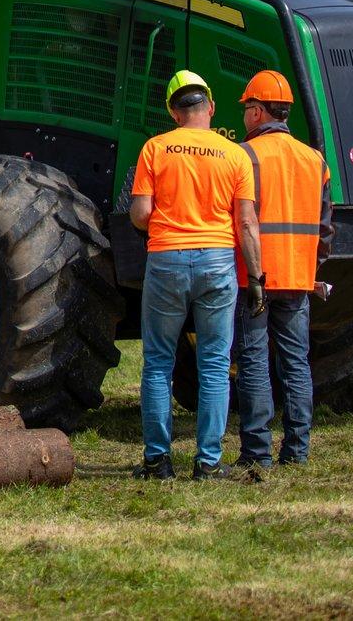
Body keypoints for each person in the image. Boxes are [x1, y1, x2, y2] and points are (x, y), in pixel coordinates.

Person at [129, 69, 263, 480]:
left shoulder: (155, 149)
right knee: (215, 364)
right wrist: (256, 278)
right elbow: (246, 224)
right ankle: (207, 463)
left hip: (167, 259)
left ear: (173, 111)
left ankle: (158, 461)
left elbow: (141, 214)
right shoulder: (237, 154)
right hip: (218, 262)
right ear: (211, 106)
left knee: (157, 363)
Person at [231, 69, 335, 468]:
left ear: (257, 111)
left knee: (254, 361)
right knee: (295, 362)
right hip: (297, 276)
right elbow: (326, 228)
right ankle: (297, 450)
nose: (245, 116)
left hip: (253, 276)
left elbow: (238, 221)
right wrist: (311, 267)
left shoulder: (245, 156)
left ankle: (257, 453)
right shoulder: (316, 161)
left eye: (246, 109)